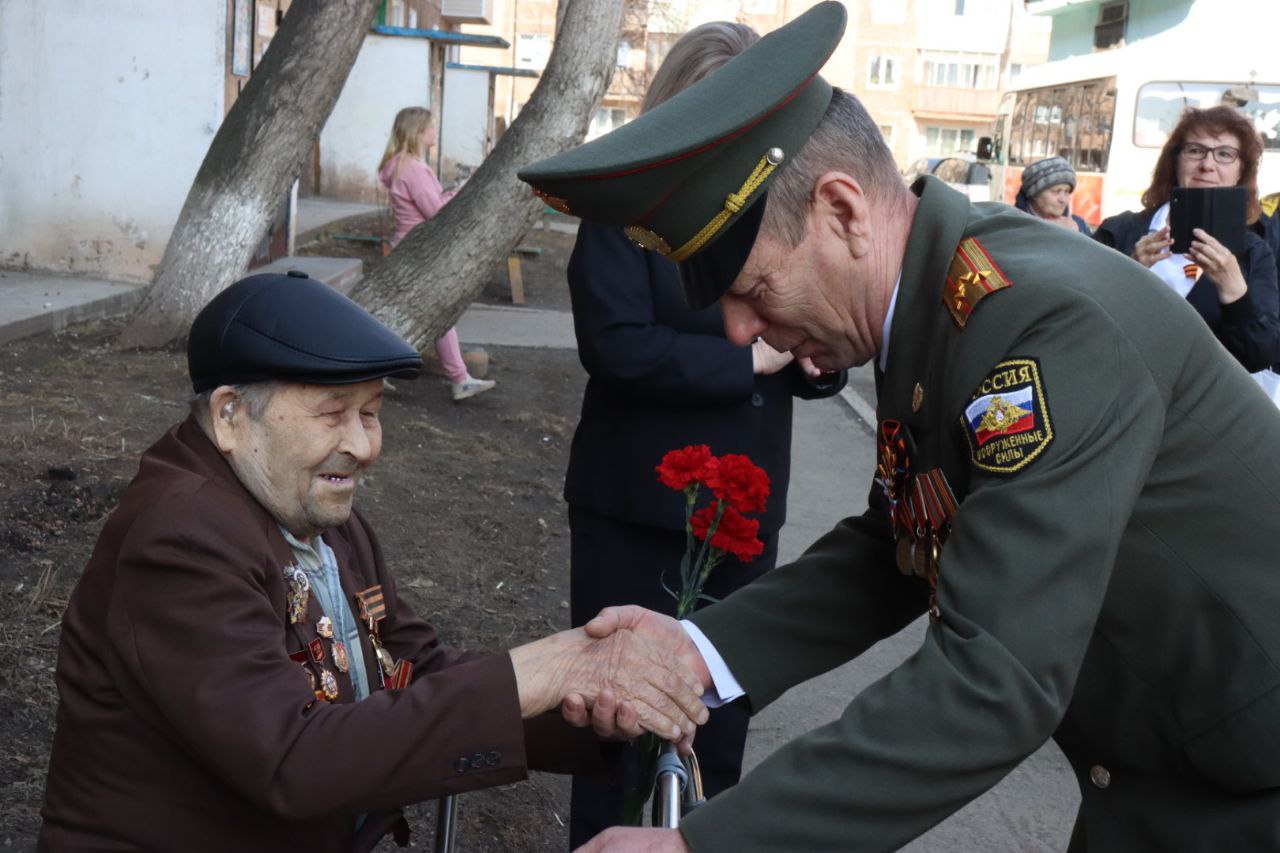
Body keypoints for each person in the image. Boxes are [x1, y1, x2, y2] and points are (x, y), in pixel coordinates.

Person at [519, 3, 1280, 851]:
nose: (738, 333)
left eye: (753, 289)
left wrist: (707, 842)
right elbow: (901, 542)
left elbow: (994, 678)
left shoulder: (1041, 325)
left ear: (843, 211)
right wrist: (699, 649)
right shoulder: (937, 305)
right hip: (1175, 776)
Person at [37, 271, 707, 852]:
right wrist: (545, 667)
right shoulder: (180, 538)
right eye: (332, 414)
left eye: (372, 412)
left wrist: (589, 706)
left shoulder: (320, 512)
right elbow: (291, 758)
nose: (362, 445)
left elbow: (413, 670)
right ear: (231, 415)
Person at [562, 21, 847, 848]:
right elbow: (613, 345)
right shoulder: (625, 206)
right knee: (613, 726)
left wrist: (818, 364)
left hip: (744, 511)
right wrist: (748, 362)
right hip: (636, 504)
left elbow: (811, 339)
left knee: (717, 727)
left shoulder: (779, 201)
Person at [1093, 105, 1280, 376]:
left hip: (1205, 411)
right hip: (1121, 393)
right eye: (1195, 151)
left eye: (1225, 154)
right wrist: (1127, 273)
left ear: (1240, 172)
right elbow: (1080, 319)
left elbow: (1260, 355)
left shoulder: (1254, 251)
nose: (1208, 165)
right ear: (1175, 161)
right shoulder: (1119, 231)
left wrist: (1235, 293)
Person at [379, 106, 495, 401]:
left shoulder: (400, 164)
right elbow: (436, 211)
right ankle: (458, 378)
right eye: (432, 127)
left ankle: (374, 373)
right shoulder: (414, 169)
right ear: (418, 132)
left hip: (407, 246)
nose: (435, 131)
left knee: (412, 314)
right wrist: (464, 189)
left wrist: (453, 189)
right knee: (438, 313)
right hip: (419, 250)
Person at [1014, 155, 1091, 234]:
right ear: (1034, 194)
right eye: (1056, 191)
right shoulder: (1012, 226)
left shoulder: (1080, 226)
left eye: (1067, 192)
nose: (1063, 200)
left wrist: (1077, 235)